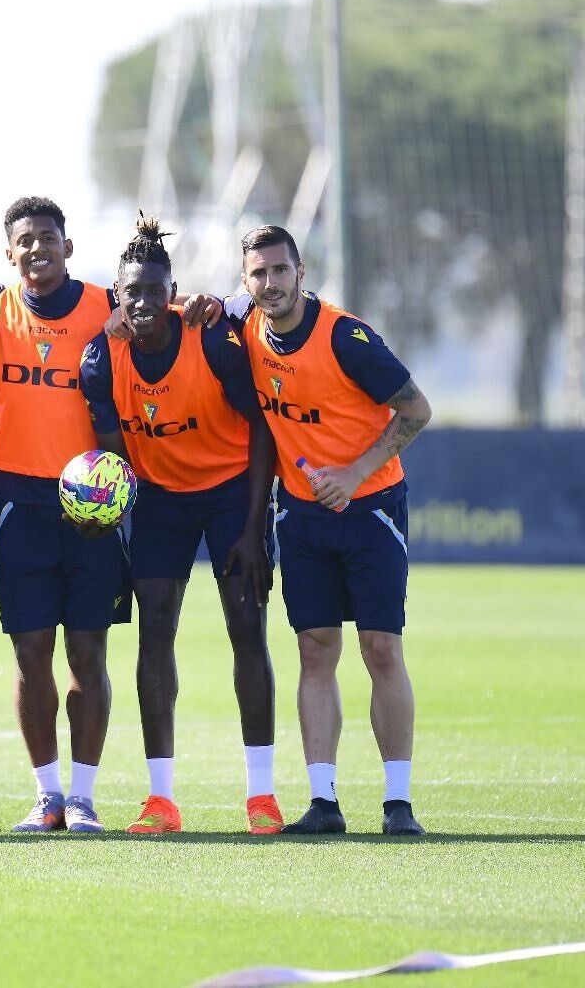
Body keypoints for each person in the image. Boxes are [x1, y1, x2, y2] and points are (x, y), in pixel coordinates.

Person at [80, 214, 283, 835]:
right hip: (163, 501)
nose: (141, 302)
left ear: (172, 293)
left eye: (152, 290)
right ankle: (161, 799)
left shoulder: (211, 338)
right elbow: (116, 459)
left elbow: (263, 432)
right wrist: (102, 510)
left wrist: (253, 529)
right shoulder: (101, 361)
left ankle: (262, 798)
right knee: (154, 635)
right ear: (117, 296)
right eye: (130, 291)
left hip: (231, 496)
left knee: (246, 632)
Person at [227, 225, 432, 837]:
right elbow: (188, 307)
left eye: (280, 271)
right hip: (302, 515)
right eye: (258, 274)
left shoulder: (346, 336)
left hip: (370, 509)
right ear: (246, 281)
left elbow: (416, 408)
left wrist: (355, 471)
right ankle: (323, 802)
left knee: (380, 649)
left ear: (302, 270)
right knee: (314, 649)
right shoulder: (245, 328)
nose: (270, 284)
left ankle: (398, 804)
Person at [0, 196, 129, 833]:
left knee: (87, 655)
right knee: (30, 655)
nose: (38, 248)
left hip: (93, 512)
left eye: (49, 237)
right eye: (25, 240)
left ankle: (86, 798)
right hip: (17, 505)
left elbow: (174, 315)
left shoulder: (107, 309)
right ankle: (48, 796)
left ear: (68, 246)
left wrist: (212, 306)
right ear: (9, 252)